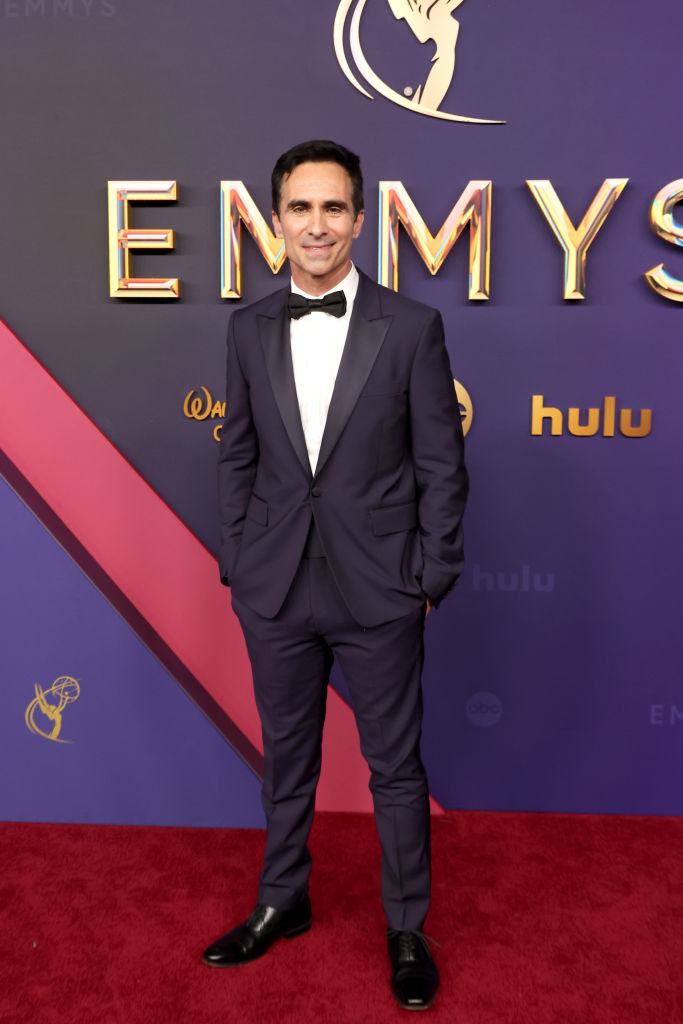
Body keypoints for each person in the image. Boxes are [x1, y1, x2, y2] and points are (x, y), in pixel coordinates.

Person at [203, 139, 468, 1011]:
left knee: (393, 766)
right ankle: (282, 899)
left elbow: (442, 461)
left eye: (332, 208)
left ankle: (405, 928)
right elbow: (236, 453)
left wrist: (430, 572)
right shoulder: (246, 326)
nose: (315, 225)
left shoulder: (414, 325)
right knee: (287, 757)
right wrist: (238, 560)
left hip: (380, 586)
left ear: (359, 219)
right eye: (299, 208)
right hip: (273, 586)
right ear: (274, 220)